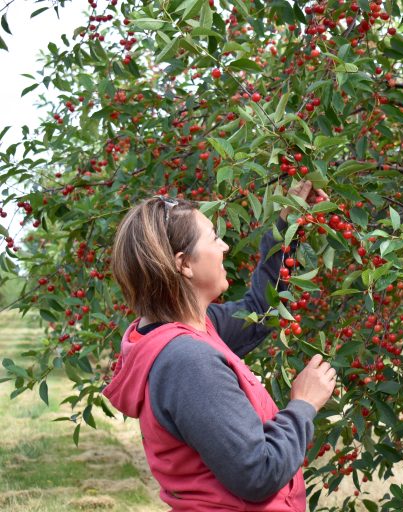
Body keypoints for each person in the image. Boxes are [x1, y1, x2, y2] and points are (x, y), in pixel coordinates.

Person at [103, 181, 336, 511]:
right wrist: (303, 404)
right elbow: (258, 472)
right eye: (214, 237)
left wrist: (287, 223)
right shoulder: (188, 362)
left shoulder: (192, 329)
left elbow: (263, 307)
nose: (225, 247)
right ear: (184, 263)